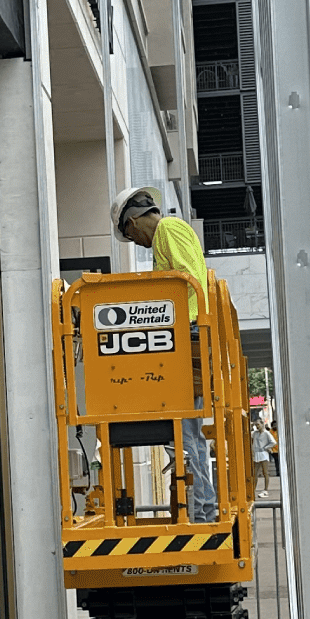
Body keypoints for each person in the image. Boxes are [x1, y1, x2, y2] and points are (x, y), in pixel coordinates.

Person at [112, 185, 216, 523]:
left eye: (130, 234)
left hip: (185, 333)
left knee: (186, 433)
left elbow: (184, 281)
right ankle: (202, 506)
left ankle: (200, 511)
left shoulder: (168, 229)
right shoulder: (168, 234)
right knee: (188, 432)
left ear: (133, 220)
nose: (136, 242)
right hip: (185, 332)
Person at [250, 415, 273, 496]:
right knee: (255, 473)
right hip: (256, 455)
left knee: (265, 472)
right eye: (256, 425)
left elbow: (273, 442)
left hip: (263, 454)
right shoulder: (255, 433)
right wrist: (251, 425)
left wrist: (266, 447)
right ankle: (253, 489)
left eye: (258, 424)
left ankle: (266, 489)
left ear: (262, 424)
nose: (257, 426)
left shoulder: (266, 433)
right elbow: (247, 434)